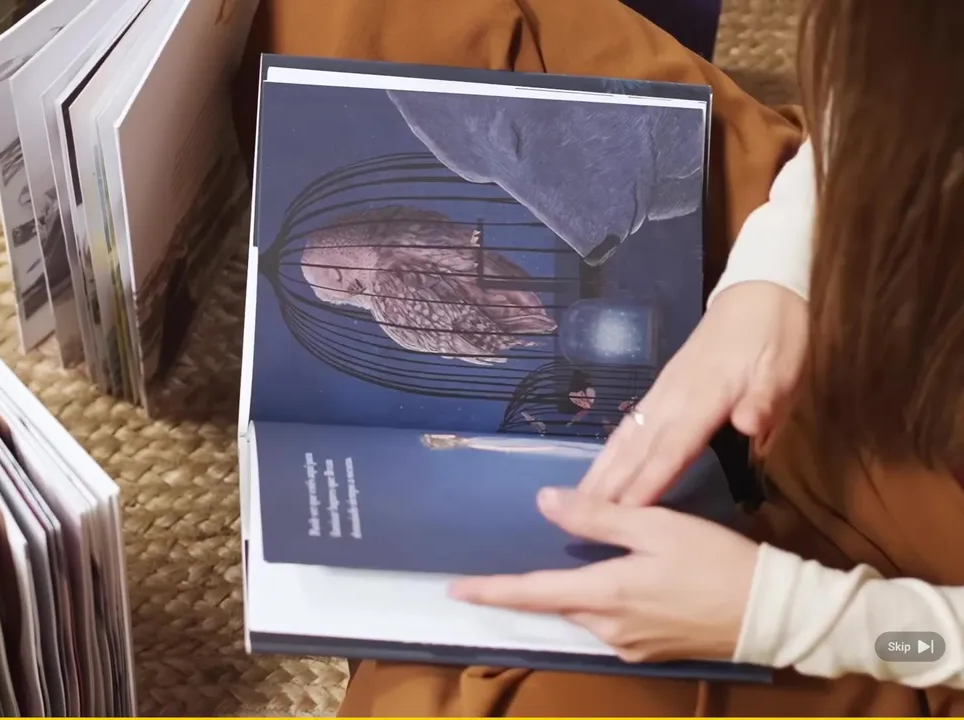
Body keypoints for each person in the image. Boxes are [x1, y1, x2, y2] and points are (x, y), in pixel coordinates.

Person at [233, 0, 964, 715]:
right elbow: (886, 97)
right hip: (885, 250)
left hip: (907, 616)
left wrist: (802, 617)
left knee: (465, 679)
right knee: (338, 14)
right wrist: (777, 272)